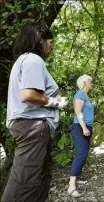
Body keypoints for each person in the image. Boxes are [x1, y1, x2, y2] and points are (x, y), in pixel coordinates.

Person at [1, 22, 68, 202]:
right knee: (25, 184)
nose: (52, 46)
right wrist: (57, 102)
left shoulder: (23, 61)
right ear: (39, 40)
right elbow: (29, 94)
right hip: (33, 128)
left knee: (40, 180)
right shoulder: (33, 60)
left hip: (31, 128)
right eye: (50, 42)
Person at [68, 74, 94, 197]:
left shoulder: (86, 96)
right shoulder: (79, 94)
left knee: (83, 154)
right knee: (81, 154)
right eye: (90, 81)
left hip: (86, 127)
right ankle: (71, 186)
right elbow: (78, 112)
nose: (92, 83)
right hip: (79, 127)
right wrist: (83, 127)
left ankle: (76, 179)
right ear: (84, 82)